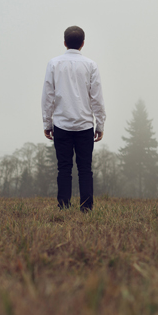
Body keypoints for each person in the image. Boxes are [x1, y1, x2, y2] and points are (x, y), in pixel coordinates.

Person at [41, 25, 106, 212]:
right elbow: (97, 98)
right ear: (83, 44)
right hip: (85, 125)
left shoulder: (53, 64)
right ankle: (86, 209)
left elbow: (48, 96)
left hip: (61, 124)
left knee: (64, 168)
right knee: (85, 169)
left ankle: (63, 207)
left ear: (64, 42)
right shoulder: (91, 65)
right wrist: (100, 124)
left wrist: (47, 122)